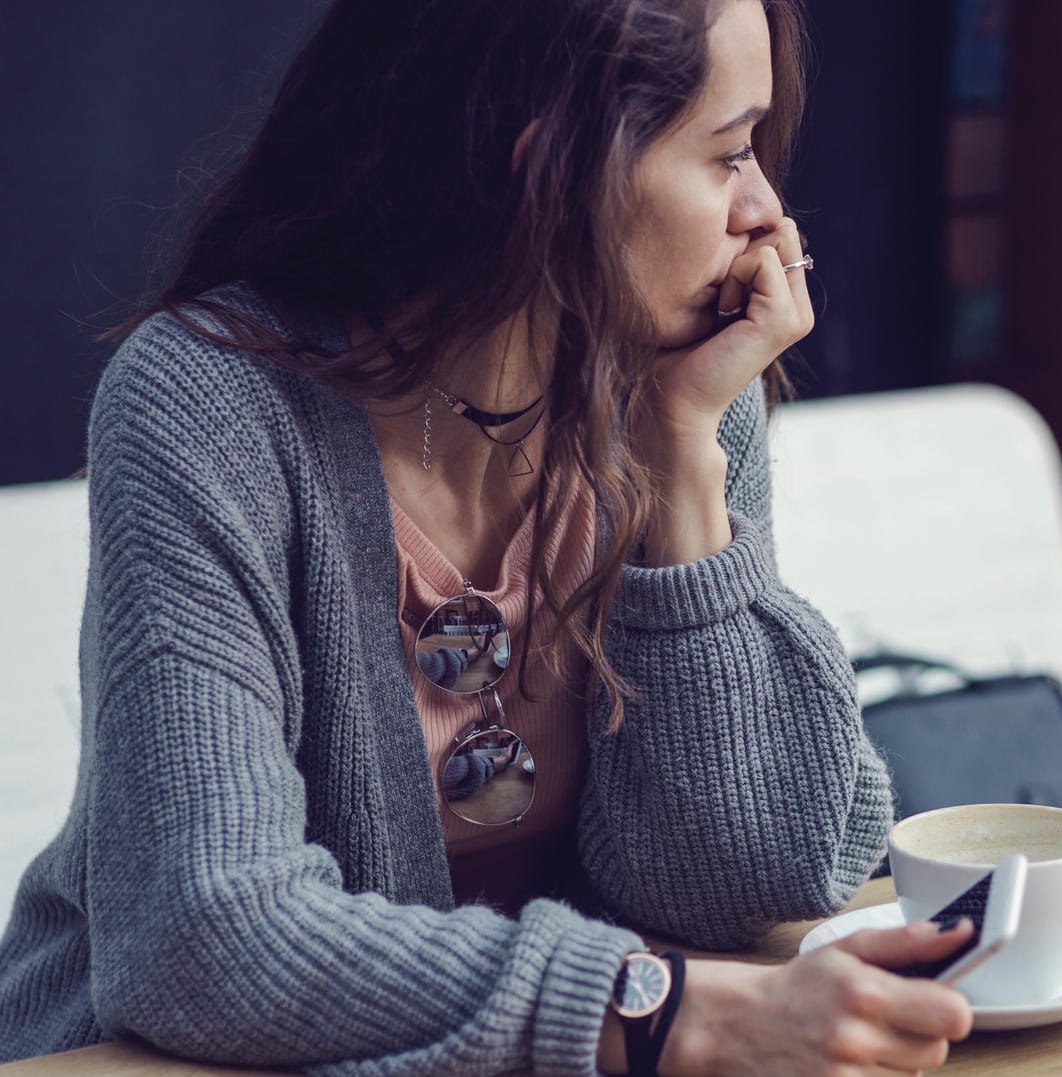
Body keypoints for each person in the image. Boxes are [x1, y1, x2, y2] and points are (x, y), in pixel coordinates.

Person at [0, 0, 975, 1073]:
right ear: (546, 178)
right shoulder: (206, 407)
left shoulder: (671, 385)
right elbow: (202, 936)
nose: (766, 210)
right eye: (728, 152)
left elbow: (740, 883)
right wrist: (652, 1011)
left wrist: (681, 473)